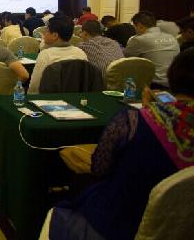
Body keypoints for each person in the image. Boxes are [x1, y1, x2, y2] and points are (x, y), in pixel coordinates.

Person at [45, 48, 194, 240]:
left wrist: (149, 113)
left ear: (174, 75)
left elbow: (99, 168)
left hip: (120, 222)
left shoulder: (132, 121)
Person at [28, 16, 88, 94]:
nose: (44, 34)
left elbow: (35, 87)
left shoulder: (46, 55)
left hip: (51, 99)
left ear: (55, 35)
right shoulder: (81, 53)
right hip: (76, 97)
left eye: (47, 31)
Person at [124, 11, 180, 88]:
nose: (135, 30)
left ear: (140, 26)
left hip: (153, 84)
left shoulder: (138, 39)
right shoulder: (172, 37)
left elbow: (125, 59)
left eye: (134, 27)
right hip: (173, 83)